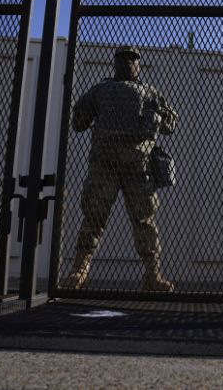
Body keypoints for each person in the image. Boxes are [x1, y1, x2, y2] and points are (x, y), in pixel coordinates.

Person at [62, 45, 178, 292]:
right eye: (123, 58)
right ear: (114, 61)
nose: (128, 62)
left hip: (139, 167)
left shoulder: (150, 92)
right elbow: (79, 122)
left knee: (145, 220)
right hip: (105, 166)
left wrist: (158, 115)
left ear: (139, 64)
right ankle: (80, 270)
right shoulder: (100, 90)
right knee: (94, 217)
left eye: (133, 58)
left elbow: (170, 124)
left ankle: (152, 273)